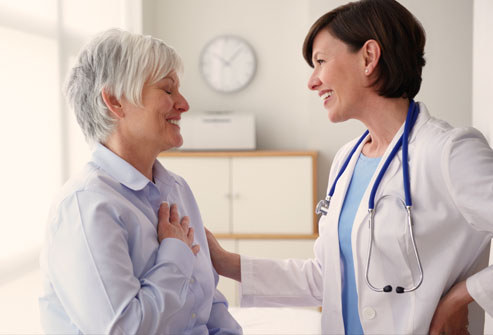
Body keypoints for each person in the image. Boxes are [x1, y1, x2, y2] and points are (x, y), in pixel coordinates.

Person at [206, 0, 493, 334]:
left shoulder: (449, 152)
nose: (312, 82)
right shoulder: (347, 160)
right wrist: (225, 262)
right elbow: (326, 278)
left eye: (320, 62)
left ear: (369, 57)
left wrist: (463, 296)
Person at [38, 29, 242, 334]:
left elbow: (207, 302)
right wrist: (175, 254)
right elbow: (123, 329)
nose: (184, 103)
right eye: (168, 90)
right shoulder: (86, 205)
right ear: (116, 101)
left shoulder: (177, 189)